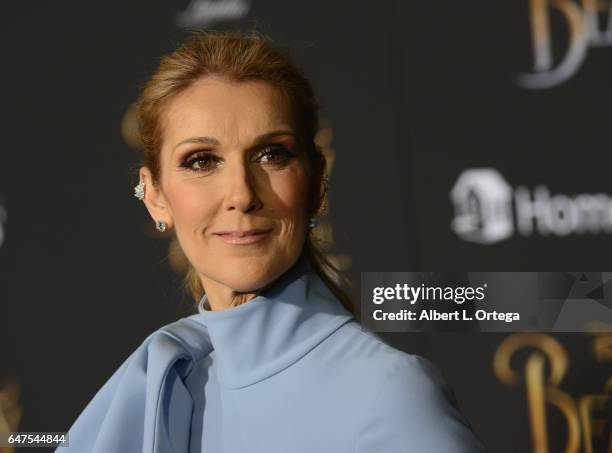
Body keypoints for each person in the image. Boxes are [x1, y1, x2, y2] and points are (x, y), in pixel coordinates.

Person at [58, 30, 486, 453]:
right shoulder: (160, 390)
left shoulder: (390, 394)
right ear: (155, 196)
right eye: (202, 161)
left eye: (272, 155)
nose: (242, 194)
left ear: (317, 180)